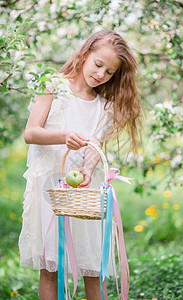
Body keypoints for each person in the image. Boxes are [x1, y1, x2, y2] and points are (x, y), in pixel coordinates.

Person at [18, 29, 141, 300]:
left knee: (92, 266)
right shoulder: (53, 85)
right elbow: (31, 133)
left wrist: (87, 169)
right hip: (50, 190)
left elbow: (94, 149)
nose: (101, 75)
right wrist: (63, 136)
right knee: (50, 267)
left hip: (85, 191)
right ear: (85, 54)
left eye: (110, 72)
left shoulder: (104, 107)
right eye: (98, 65)